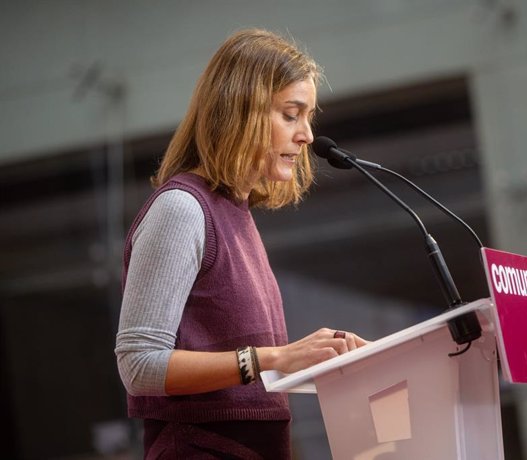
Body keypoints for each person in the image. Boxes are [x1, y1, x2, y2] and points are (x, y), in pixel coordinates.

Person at [114, 28, 367, 459]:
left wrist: (312, 360)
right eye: (291, 114)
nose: (306, 135)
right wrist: (273, 358)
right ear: (241, 112)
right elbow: (139, 365)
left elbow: (247, 378)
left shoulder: (235, 213)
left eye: (308, 117)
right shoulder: (182, 209)